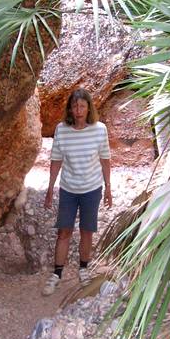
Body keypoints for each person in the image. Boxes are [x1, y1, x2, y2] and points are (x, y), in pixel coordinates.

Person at [42, 88, 112, 296]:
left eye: (82, 106)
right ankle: (57, 274)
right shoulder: (62, 130)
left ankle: (83, 269)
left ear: (88, 108)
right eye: (75, 106)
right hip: (69, 189)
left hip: (91, 188)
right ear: (70, 109)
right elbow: (56, 160)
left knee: (86, 231)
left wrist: (108, 188)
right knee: (64, 231)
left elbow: (105, 160)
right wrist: (49, 188)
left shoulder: (100, 130)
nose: (79, 110)